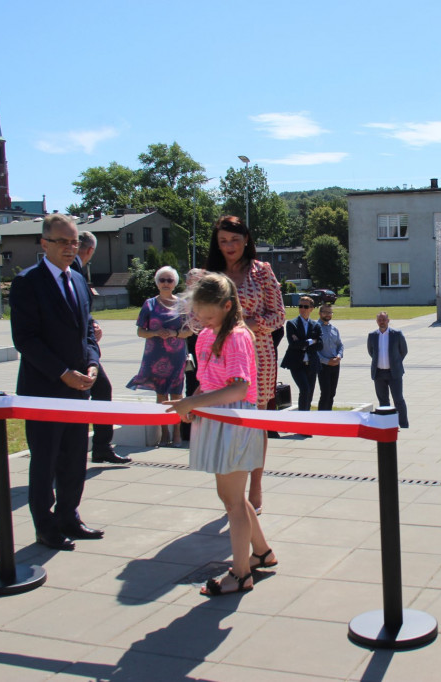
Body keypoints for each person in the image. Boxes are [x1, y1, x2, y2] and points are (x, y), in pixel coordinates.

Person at [165, 273, 277, 595]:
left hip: (236, 423)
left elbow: (239, 387)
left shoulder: (238, 336)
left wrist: (194, 402)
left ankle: (241, 574)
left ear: (228, 307)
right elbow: (208, 382)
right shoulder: (207, 335)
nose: (202, 321)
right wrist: (192, 406)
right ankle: (262, 553)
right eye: (198, 315)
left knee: (232, 501)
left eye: (209, 315)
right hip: (218, 420)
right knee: (232, 497)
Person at [9, 214, 104, 551]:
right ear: (44, 243)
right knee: (45, 460)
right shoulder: (27, 282)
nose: (70, 248)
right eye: (63, 242)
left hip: (78, 389)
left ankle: (69, 516)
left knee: (76, 457)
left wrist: (93, 364)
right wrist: (63, 373)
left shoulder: (77, 280)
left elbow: (87, 331)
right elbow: (26, 339)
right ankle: (45, 526)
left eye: (74, 241)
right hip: (45, 389)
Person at [205, 215, 285, 512]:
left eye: (235, 239)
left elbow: (279, 316)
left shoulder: (261, 271)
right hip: (219, 357)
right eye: (223, 240)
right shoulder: (209, 274)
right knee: (225, 422)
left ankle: (256, 484)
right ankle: (230, 489)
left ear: (247, 239)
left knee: (255, 423)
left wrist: (251, 324)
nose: (229, 246)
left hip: (258, 354)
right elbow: (196, 316)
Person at [71, 231, 129, 464]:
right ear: (90, 251)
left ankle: (100, 446)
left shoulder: (73, 271)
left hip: (84, 347)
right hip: (76, 350)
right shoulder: (73, 271)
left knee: (101, 389)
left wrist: (91, 323)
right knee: (94, 392)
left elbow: (82, 309)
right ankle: (91, 447)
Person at [127, 266, 193, 446]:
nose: (165, 283)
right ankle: (164, 433)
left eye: (169, 280)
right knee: (161, 394)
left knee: (177, 393)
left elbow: (189, 331)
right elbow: (141, 331)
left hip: (176, 354)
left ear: (174, 283)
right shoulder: (149, 304)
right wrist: (156, 333)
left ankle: (177, 434)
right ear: (157, 283)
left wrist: (174, 333)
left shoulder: (182, 304)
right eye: (162, 280)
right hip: (155, 355)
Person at [179, 268, 208, 443]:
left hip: (208, 345)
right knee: (192, 385)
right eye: (190, 279)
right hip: (190, 345)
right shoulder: (183, 301)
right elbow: (179, 323)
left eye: (197, 279)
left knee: (208, 385)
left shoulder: (208, 299)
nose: (193, 282)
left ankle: (204, 428)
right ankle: (188, 431)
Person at [367, 311, 409, 428]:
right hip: (379, 373)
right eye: (379, 320)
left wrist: (395, 362)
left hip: (394, 373)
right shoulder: (372, 335)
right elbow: (371, 352)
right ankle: (388, 425)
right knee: (383, 401)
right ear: (376, 321)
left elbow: (403, 351)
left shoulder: (397, 334)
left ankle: (403, 424)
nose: (382, 322)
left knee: (398, 400)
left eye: (384, 319)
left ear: (388, 320)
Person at [280, 295, 322, 410]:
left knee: (310, 393)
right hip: (296, 363)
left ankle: (306, 416)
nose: (302, 309)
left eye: (305, 306)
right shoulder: (292, 324)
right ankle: (302, 416)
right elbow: (293, 345)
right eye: (300, 306)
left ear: (311, 308)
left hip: (312, 363)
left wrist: (303, 342)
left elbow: (320, 345)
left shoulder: (316, 325)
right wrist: (311, 341)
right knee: (305, 389)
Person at [316, 303, 344, 411]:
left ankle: (329, 416)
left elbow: (340, 345)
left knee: (332, 393)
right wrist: (327, 361)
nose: (328, 314)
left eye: (330, 312)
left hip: (335, 364)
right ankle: (322, 418)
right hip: (323, 365)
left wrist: (339, 356)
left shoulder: (334, 329)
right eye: (325, 312)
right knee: (325, 393)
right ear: (319, 313)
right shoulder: (315, 328)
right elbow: (314, 350)